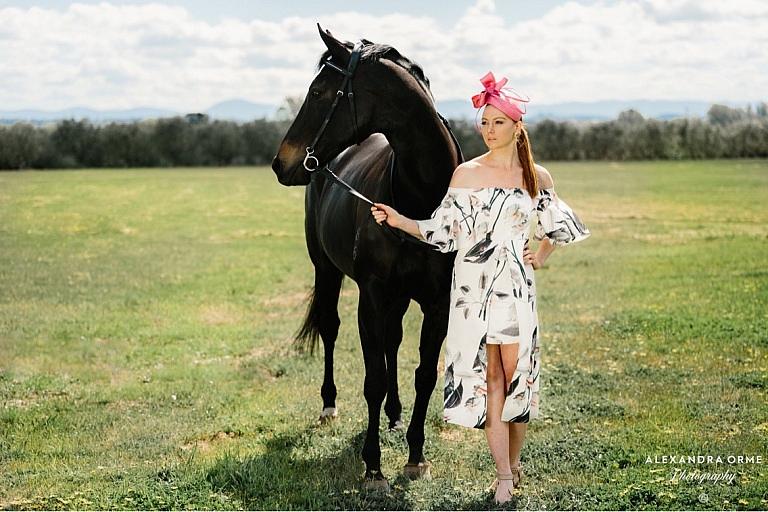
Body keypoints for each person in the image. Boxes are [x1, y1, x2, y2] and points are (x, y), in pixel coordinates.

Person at [370, 71, 590, 504]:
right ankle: (504, 475)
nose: (488, 130)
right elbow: (443, 233)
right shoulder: (464, 175)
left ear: (516, 127)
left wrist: (541, 255)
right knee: (490, 379)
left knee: (516, 379)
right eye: (484, 123)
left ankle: (515, 462)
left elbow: (558, 225)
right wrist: (398, 220)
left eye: (498, 123)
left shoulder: (536, 176)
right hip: (472, 290)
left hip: (516, 290)